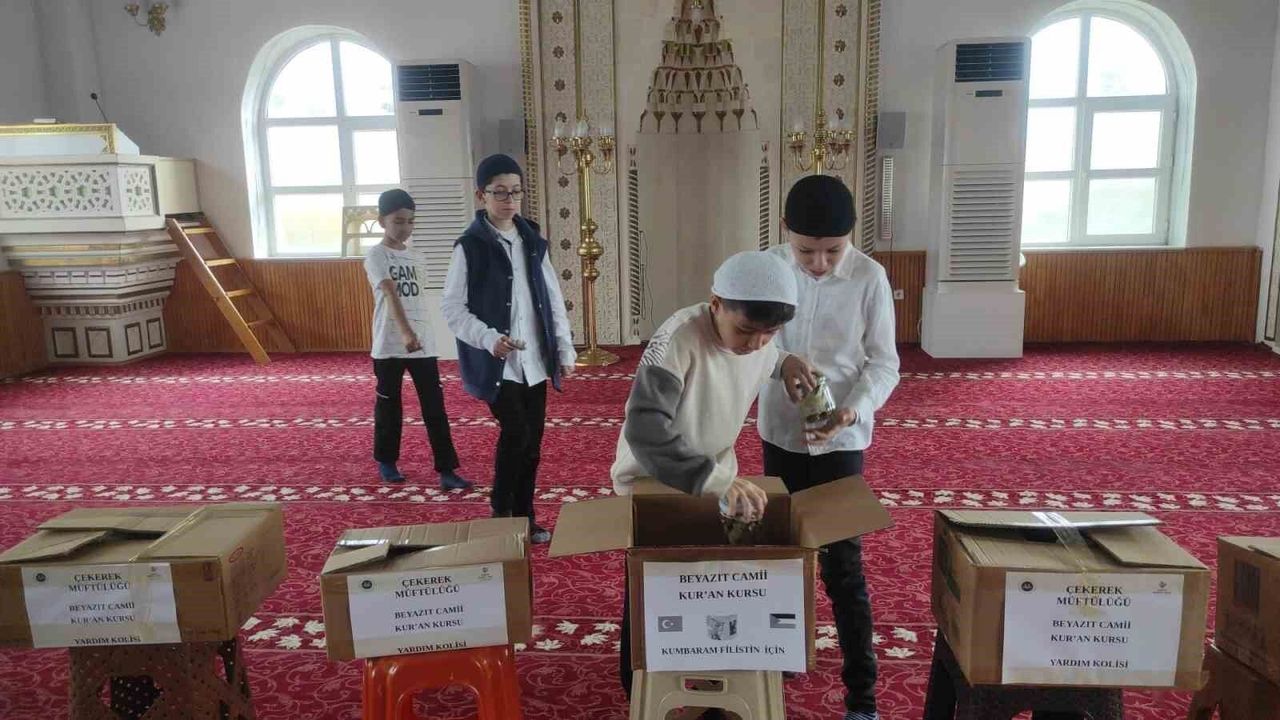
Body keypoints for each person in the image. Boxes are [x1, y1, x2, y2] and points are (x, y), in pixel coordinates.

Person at [610, 250, 813, 697]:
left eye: (771, 333)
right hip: (654, 480)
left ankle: (722, 670)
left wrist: (786, 361)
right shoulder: (678, 339)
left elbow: (766, 354)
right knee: (654, 584)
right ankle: (638, 685)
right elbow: (645, 432)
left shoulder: (758, 336)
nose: (757, 343)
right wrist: (716, 480)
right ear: (716, 303)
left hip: (713, 474)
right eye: (746, 331)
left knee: (712, 580)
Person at [758, 174, 900, 720]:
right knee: (781, 553)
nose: (819, 263)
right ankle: (781, 652)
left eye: (833, 251)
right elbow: (745, 342)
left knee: (843, 566)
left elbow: (884, 364)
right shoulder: (767, 270)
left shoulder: (870, 278)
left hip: (842, 441)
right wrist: (781, 361)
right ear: (785, 231)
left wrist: (854, 410)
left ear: (851, 236)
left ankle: (862, 696)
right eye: (806, 251)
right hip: (781, 434)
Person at [442, 154, 576, 544]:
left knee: (532, 444)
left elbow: (552, 299)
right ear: (481, 195)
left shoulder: (532, 240)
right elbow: (452, 308)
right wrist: (488, 338)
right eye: (499, 192)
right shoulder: (470, 246)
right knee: (516, 434)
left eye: (515, 191)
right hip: (499, 363)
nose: (509, 200)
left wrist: (564, 349)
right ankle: (502, 514)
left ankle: (525, 516)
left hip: (535, 360)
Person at [364, 188, 470, 489]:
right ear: (382, 221)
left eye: (410, 221)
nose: (405, 227)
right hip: (389, 344)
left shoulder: (417, 257)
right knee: (389, 405)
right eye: (398, 221)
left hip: (423, 345)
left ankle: (447, 469)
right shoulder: (376, 255)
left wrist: (420, 334)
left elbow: (419, 299)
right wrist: (405, 333)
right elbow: (389, 292)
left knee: (434, 407)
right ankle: (387, 462)